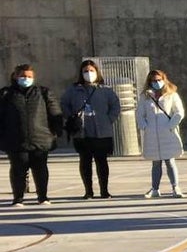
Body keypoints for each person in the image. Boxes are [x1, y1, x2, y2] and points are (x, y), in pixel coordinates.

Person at [0, 63, 63, 206]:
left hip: (40, 138)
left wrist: (56, 130)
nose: (25, 79)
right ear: (15, 76)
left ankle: (43, 197)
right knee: (18, 168)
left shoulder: (43, 93)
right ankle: (18, 198)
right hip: (15, 139)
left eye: (29, 76)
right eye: (22, 76)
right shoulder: (6, 94)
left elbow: (55, 113)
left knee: (40, 168)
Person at [60, 59, 120, 199]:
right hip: (82, 132)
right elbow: (64, 104)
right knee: (85, 161)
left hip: (102, 132)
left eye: (91, 71)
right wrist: (71, 117)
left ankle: (104, 190)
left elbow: (115, 106)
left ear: (97, 72)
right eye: (85, 71)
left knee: (102, 162)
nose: (88, 74)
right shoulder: (73, 90)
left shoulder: (105, 90)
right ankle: (88, 191)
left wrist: (108, 119)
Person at [136, 69, 186, 198]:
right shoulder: (145, 96)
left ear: (164, 79)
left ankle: (175, 187)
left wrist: (170, 126)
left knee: (170, 160)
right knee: (156, 162)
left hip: (167, 132)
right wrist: (144, 126)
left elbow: (179, 112)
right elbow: (140, 113)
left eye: (159, 80)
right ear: (149, 81)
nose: (157, 83)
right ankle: (155, 188)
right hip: (152, 132)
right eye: (154, 80)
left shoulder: (172, 94)